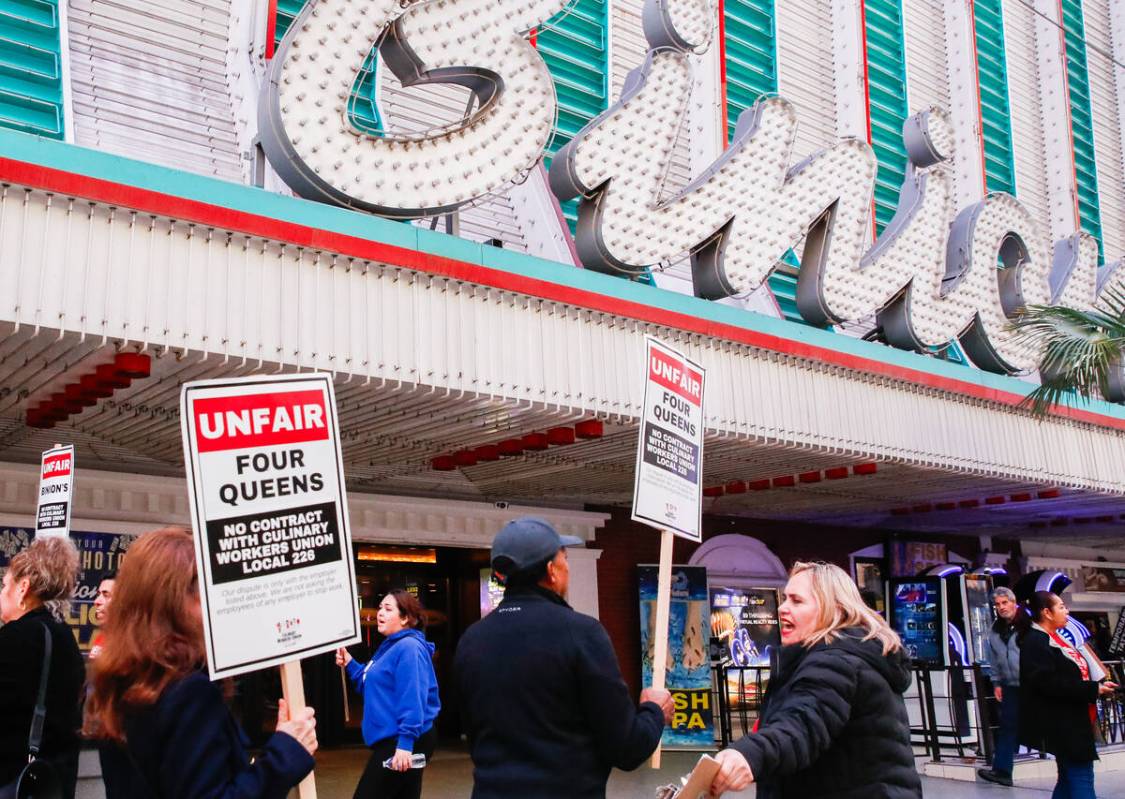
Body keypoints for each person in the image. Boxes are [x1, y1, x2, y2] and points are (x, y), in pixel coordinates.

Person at [84, 527, 317, 798]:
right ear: (175, 600)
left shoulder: (123, 679)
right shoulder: (189, 693)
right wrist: (284, 755)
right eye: (204, 591)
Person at [453, 517, 673, 799]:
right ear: (551, 571)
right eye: (565, 559)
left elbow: (474, 734)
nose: (568, 568)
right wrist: (654, 711)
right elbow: (626, 749)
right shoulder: (582, 633)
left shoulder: (472, 639)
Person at [710, 561, 922, 798]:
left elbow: (803, 723)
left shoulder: (835, 662)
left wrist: (749, 754)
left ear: (834, 609)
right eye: (785, 598)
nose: (782, 608)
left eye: (797, 600)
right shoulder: (844, 656)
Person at [0, 536, 85, 799]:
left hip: (10, 780)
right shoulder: (66, 640)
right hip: (51, 785)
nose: (1, 593)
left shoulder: (13, 640)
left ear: (23, 588)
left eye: (4, 586)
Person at [335, 589, 440, 799]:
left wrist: (405, 744)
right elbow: (372, 685)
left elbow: (413, 698)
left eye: (388, 609)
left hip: (402, 740)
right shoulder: (391, 646)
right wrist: (349, 663)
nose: (380, 613)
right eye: (380, 607)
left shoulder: (409, 648)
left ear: (405, 619)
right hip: (398, 740)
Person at [1018, 591, 1117, 799]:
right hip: (1064, 722)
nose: (1067, 611)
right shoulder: (1035, 641)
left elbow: (1070, 674)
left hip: (1073, 718)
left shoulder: (1055, 638)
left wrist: (1096, 684)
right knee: (1081, 777)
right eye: (1061, 607)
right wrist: (1092, 689)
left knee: (1067, 778)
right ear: (1047, 612)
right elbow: (1048, 683)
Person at [979, 586, 1021, 787]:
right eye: (998, 604)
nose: (1002, 607)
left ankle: (1067, 762)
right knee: (1007, 727)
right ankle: (1002, 770)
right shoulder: (995, 630)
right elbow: (993, 659)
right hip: (1010, 684)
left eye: (1005, 603)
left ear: (1013, 602)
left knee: (1047, 722)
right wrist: (996, 682)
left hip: (1033, 682)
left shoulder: (1028, 624)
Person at [88, 573, 115, 659]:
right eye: (98, 594)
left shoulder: (134, 646)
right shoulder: (102, 637)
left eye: (106, 595)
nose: (96, 601)